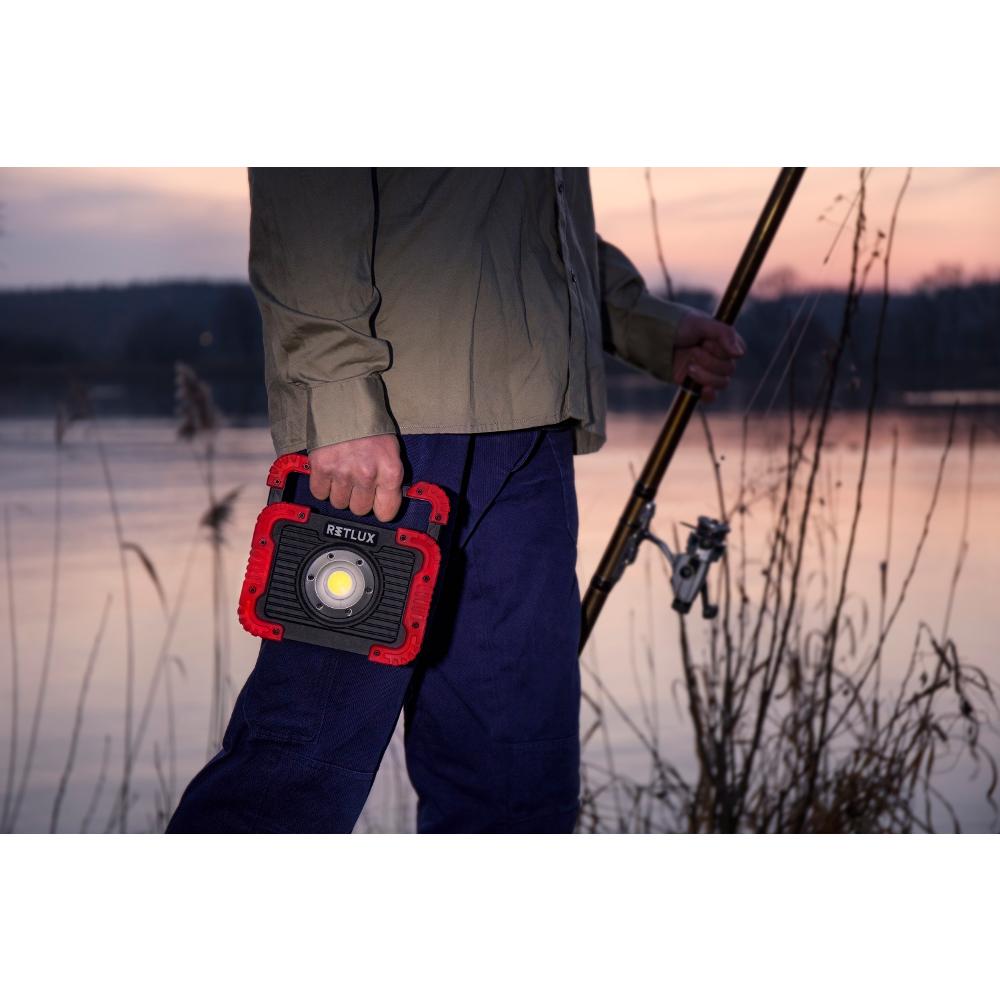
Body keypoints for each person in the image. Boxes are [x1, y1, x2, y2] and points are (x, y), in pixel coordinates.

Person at [166, 168, 745, 834]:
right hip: (388, 431)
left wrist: (642, 324)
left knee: (517, 784)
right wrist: (337, 391)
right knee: (296, 770)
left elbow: (531, 199)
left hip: (535, 429)